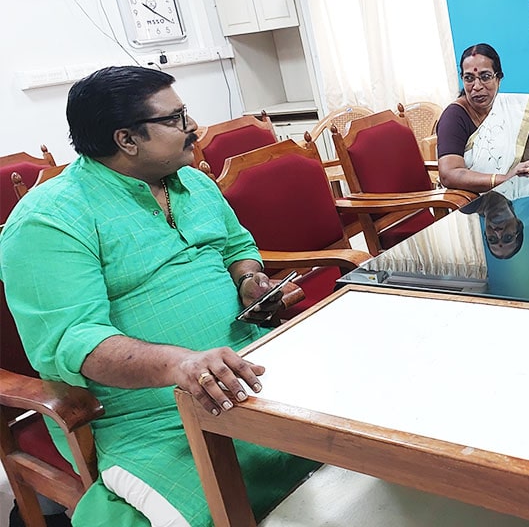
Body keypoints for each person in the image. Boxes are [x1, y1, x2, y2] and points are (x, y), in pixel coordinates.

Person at [0, 66, 318, 526]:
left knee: (368, 440)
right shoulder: (50, 220)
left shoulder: (195, 183)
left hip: (254, 370)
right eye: (176, 118)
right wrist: (180, 364)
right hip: (150, 417)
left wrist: (251, 282)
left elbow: (238, 248)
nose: (194, 127)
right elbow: (75, 339)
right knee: (221, 500)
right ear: (127, 139)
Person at [436, 43, 529, 198]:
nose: (477, 86)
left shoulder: (512, 108)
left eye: (485, 77)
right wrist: (503, 178)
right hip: (471, 203)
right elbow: (449, 174)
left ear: (499, 78)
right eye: (469, 78)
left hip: (511, 198)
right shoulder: (454, 116)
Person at [462, 191, 525, 259]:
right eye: (508, 237)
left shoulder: (467, 204)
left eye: (492, 239)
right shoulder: (521, 188)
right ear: (518, 224)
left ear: (486, 233)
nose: (498, 232)